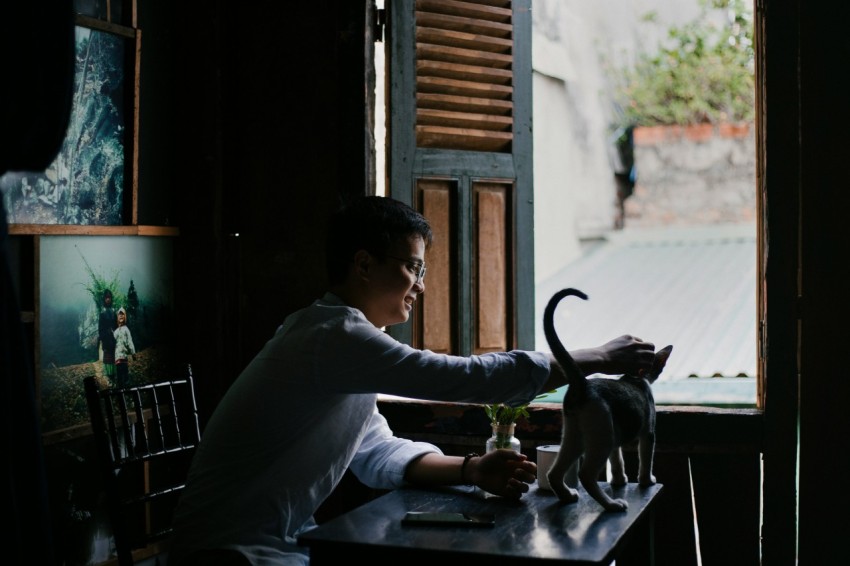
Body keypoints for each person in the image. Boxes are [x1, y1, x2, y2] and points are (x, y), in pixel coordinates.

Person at [168, 195, 656, 566]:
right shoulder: (332, 336)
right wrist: (596, 356)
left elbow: (374, 450)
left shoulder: (338, 342)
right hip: (227, 554)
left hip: (274, 544)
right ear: (363, 265)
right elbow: (464, 378)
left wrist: (471, 469)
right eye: (412, 268)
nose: (421, 285)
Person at [113, 307, 136, 387]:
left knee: (125, 372)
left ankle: (127, 387)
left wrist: (133, 353)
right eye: (119, 315)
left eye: (122, 315)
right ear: (117, 318)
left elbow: (130, 341)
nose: (121, 316)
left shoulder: (126, 329)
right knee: (119, 374)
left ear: (125, 317)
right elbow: (113, 343)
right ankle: (120, 389)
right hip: (117, 357)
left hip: (124, 356)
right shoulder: (115, 332)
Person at [98, 289, 118, 383]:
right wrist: (105, 335)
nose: (108, 300)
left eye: (109, 298)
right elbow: (100, 329)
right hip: (107, 340)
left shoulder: (114, 312)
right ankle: (110, 379)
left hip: (114, 339)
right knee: (108, 360)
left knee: (115, 359)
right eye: (106, 298)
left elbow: (117, 326)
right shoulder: (102, 313)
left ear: (111, 299)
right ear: (104, 299)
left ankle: (114, 377)